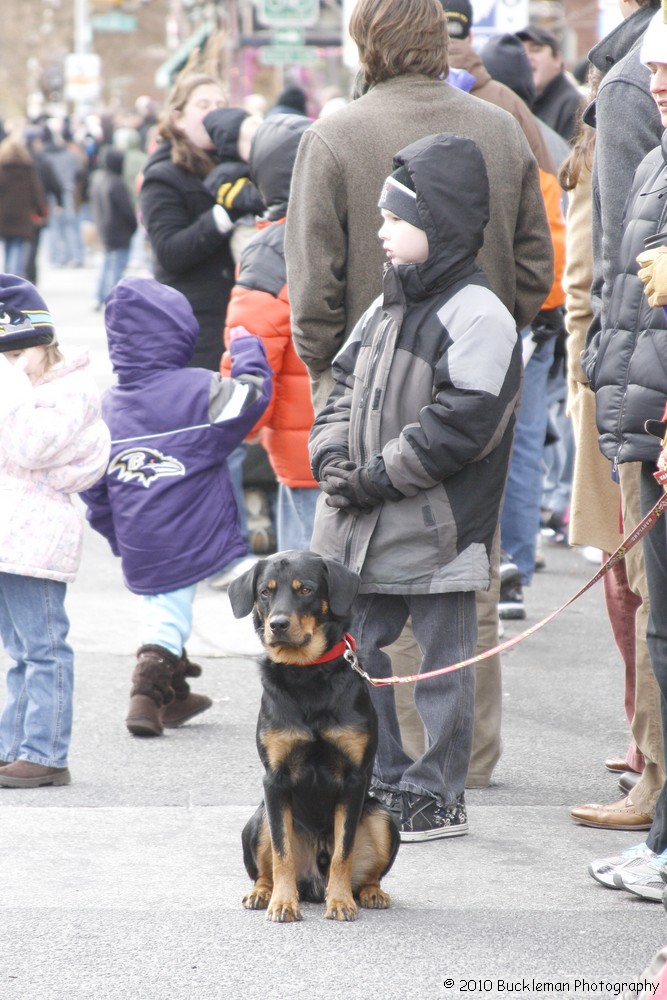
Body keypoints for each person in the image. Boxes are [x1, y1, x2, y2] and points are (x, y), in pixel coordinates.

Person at [285, 0, 553, 793]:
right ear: (440, 39)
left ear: (364, 42)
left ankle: (387, 767)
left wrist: (333, 380)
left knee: (362, 585)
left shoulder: (332, 133)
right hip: (476, 384)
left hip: (362, 387)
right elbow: (534, 266)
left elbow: (311, 292)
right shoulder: (500, 128)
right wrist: (494, 333)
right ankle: (462, 764)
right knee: (460, 567)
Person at [309, 132, 522, 842]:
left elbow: (461, 425)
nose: (379, 231)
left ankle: (436, 791)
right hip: (360, 528)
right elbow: (339, 388)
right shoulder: (384, 304)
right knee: (359, 659)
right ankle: (386, 777)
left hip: (436, 531)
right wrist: (331, 457)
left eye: (393, 219)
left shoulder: (478, 315)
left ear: (437, 224)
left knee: (442, 669)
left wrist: (374, 478)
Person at [80, 276, 272, 738]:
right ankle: (146, 696)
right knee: (174, 615)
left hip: (140, 536)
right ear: (178, 332)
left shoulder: (110, 406)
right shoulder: (196, 389)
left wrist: (116, 534)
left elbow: (92, 486)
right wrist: (247, 350)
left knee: (165, 607)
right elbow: (250, 399)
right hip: (199, 533)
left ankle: (176, 696)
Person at [571, 0, 664, 836]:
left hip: (642, 375)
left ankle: (652, 783)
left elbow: (619, 260)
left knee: (642, 592)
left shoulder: (633, 79)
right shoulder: (633, 70)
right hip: (631, 363)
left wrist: (601, 368)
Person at [0, 275, 110, 788]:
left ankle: (45, 753)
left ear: (42, 342)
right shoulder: (28, 390)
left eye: (16, 353)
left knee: (44, 647)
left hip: (37, 538)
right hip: (11, 535)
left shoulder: (68, 391)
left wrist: (14, 386)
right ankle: (12, 744)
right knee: (21, 651)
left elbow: (28, 450)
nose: (10, 366)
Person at [220, 113, 318, 552]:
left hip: (301, 453)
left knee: (305, 584)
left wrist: (243, 423)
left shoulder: (269, 250)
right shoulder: (355, 231)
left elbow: (253, 350)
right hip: (356, 440)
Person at [139, 73, 235, 372]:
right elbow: (169, 252)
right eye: (203, 104)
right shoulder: (163, 176)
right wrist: (223, 215)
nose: (214, 111)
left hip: (238, 317)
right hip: (195, 325)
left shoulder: (237, 164)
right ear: (178, 118)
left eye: (220, 104)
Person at [202, 107, 265, 264]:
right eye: (252, 142)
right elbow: (241, 197)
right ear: (233, 146)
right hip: (247, 229)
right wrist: (271, 194)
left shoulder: (260, 166)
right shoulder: (227, 174)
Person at [515, 24, 584, 142]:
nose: (527, 58)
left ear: (557, 59)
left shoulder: (573, 105)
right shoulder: (518, 101)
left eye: (535, 50)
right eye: (521, 53)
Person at [89, 147, 138, 309]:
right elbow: (127, 210)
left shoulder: (98, 178)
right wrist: (133, 226)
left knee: (106, 264)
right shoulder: (117, 183)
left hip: (103, 229)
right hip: (119, 231)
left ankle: (99, 296)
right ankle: (111, 299)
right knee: (116, 267)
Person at [0, 133, 48, 278]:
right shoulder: (28, 170)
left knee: (7, 248)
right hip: (23, 216)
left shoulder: (1, 170)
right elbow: (37, 193)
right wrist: (41, 212)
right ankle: (15, 278)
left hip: (3, 216)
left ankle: (6, 279)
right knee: (19, 248)